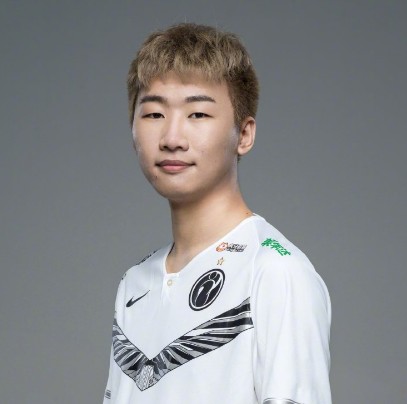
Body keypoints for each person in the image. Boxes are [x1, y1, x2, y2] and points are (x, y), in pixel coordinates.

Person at [103, 23, 332, 404]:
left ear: (244, 134)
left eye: (197, 114)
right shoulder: (135, 283)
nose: (172, 138)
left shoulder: (274, 271)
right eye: (154, 114)